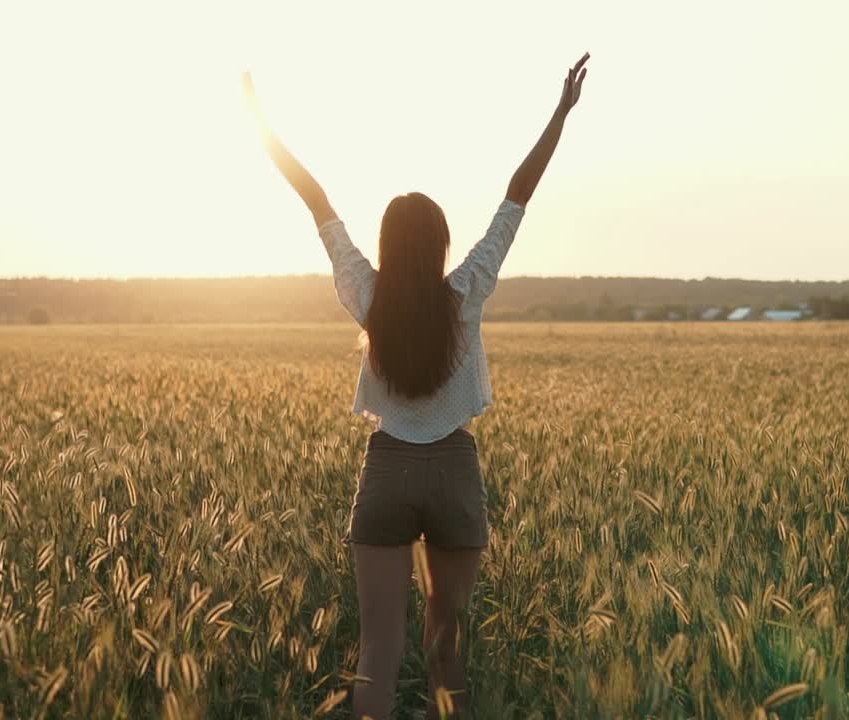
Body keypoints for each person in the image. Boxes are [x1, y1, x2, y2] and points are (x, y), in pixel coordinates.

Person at [243, 52, 589, 720]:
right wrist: (561, 113)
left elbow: (316, 201)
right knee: (446, 647)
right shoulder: (467, 291)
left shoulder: (365, 292)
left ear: (387, 244)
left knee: (378, 648)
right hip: (456, 470)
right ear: (440, 245)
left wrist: (261, 125)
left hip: (387, 470)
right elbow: (517, 197)